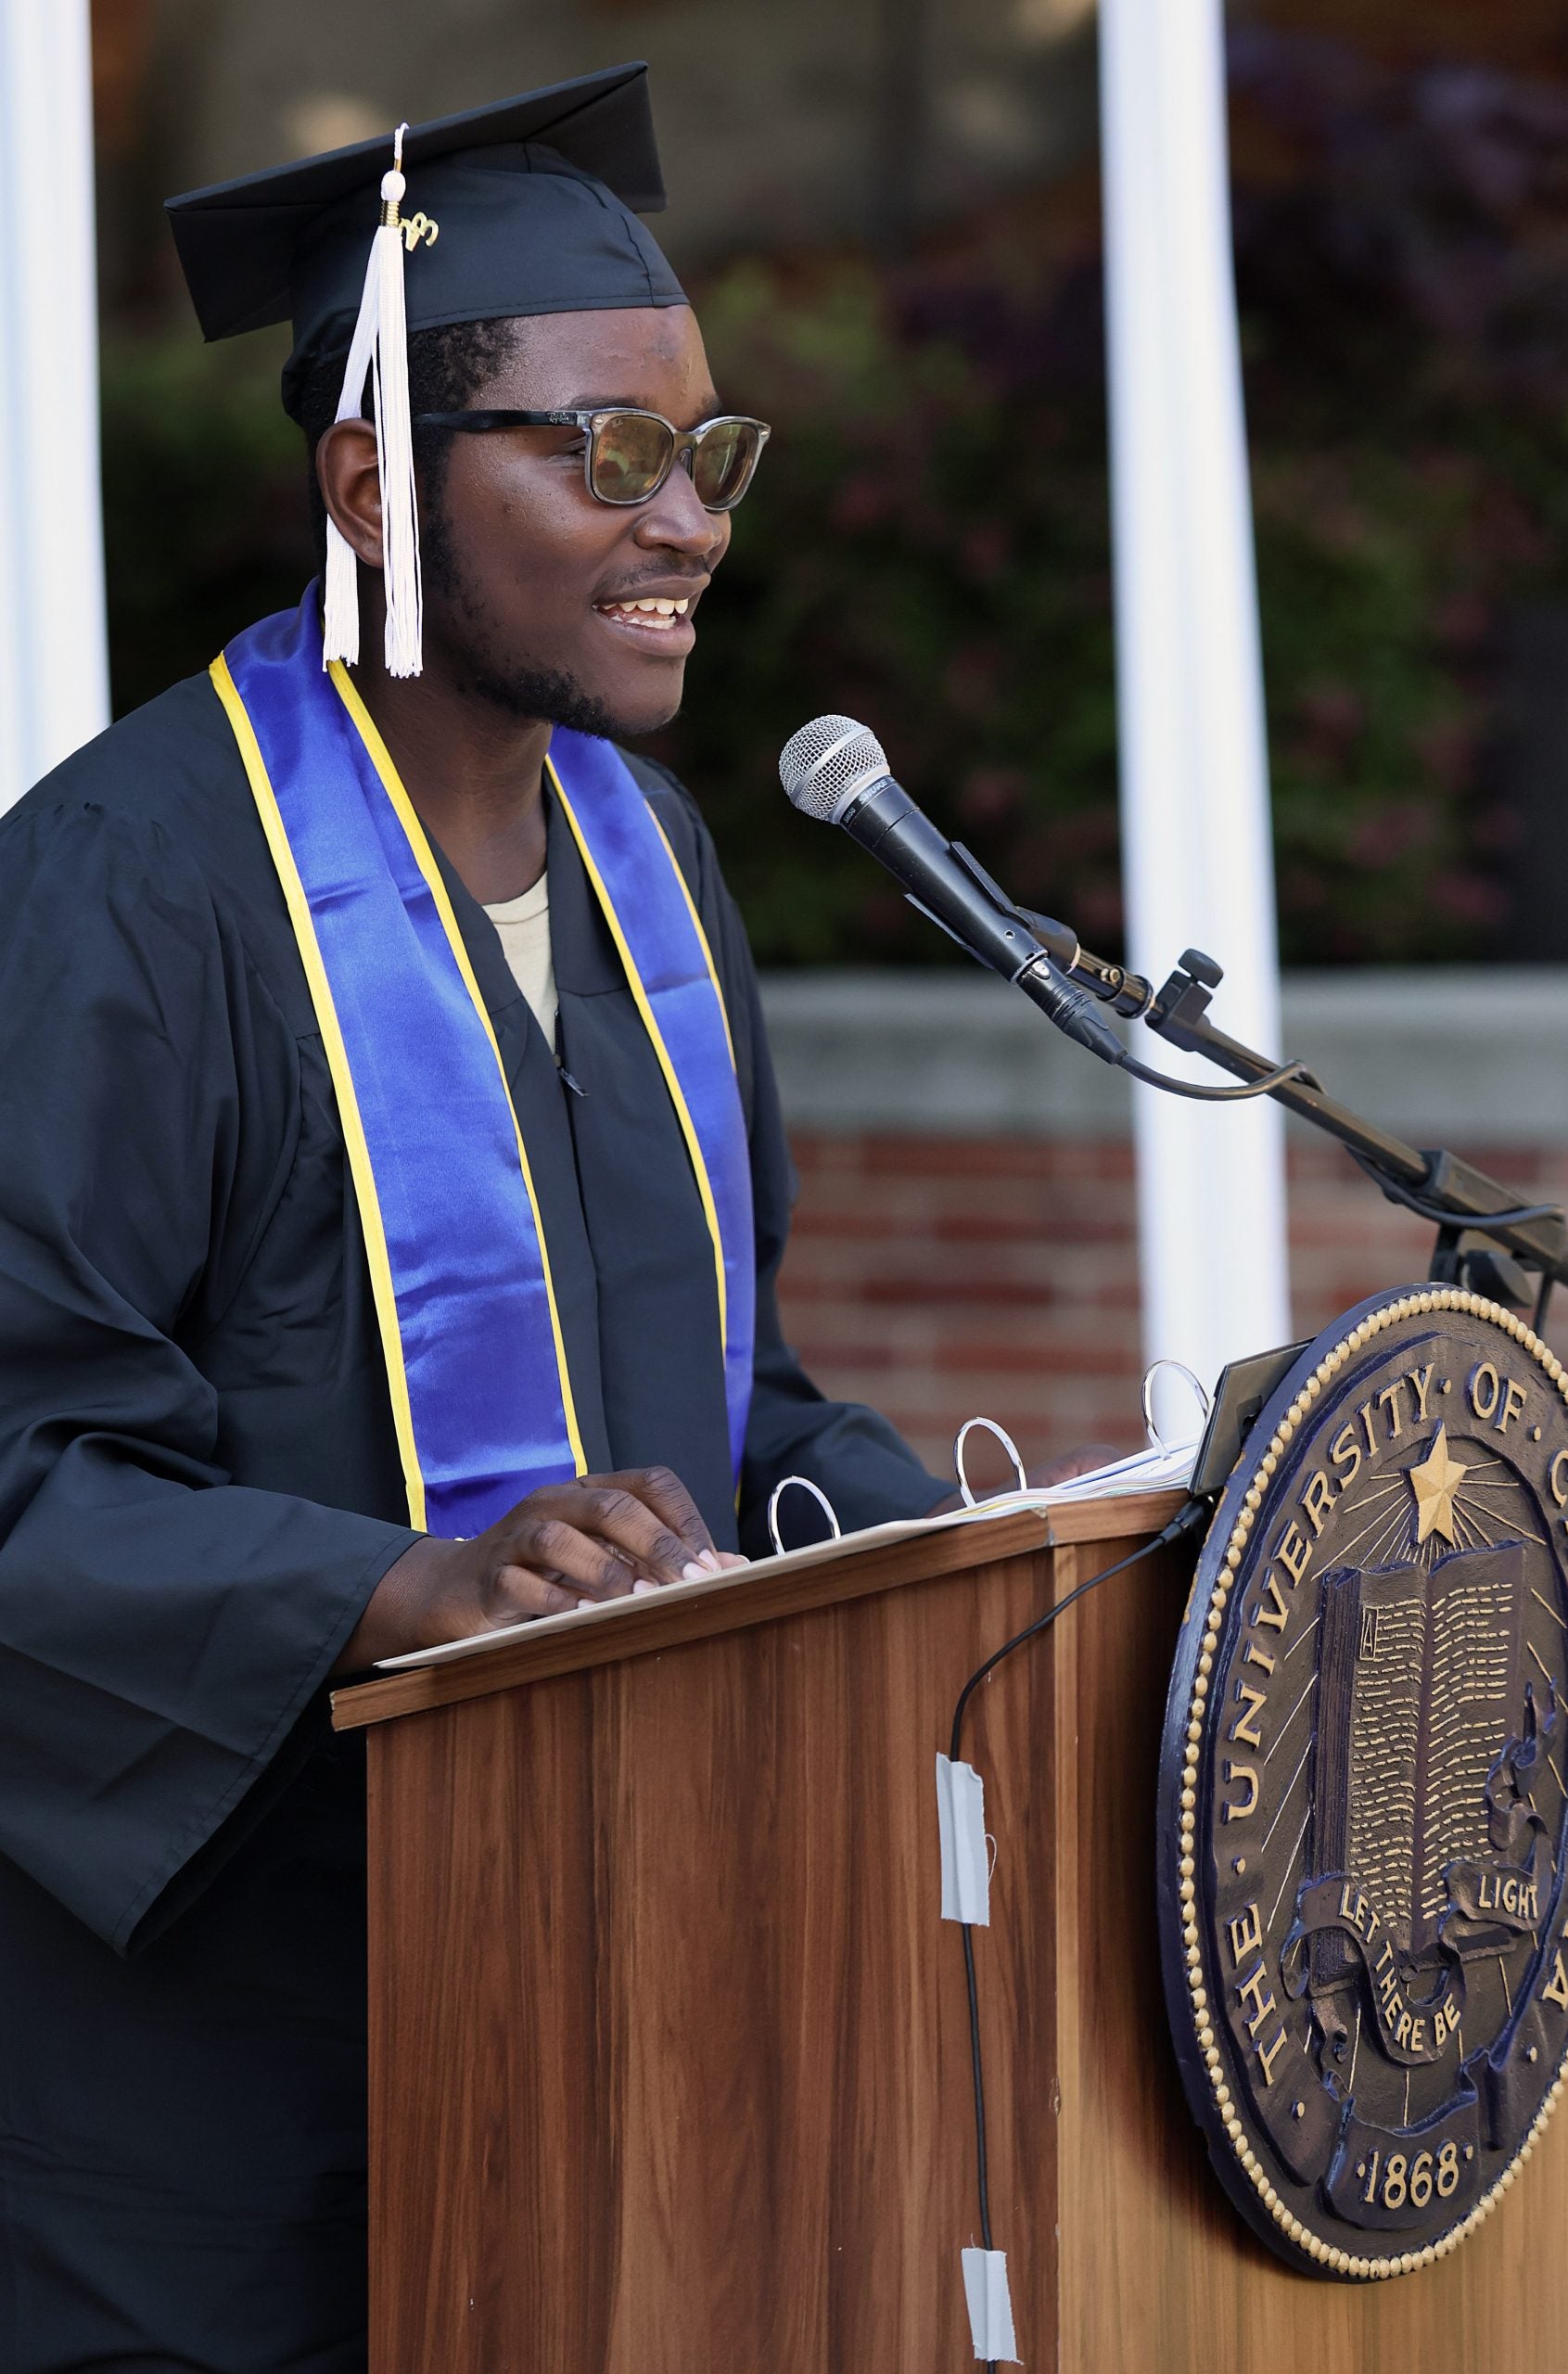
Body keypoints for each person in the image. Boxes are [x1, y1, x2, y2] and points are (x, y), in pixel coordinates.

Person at [0, 63, 1090, 2372]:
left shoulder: (650, 863)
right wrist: (394, 1583)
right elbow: (18, 1469)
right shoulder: (130, 886)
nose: (683, 516)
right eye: (604, 452)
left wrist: (966, 1558)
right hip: (212, 2095)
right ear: (379, 483)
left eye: (711, 453)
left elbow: (727, 1393)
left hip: (608, 2021)